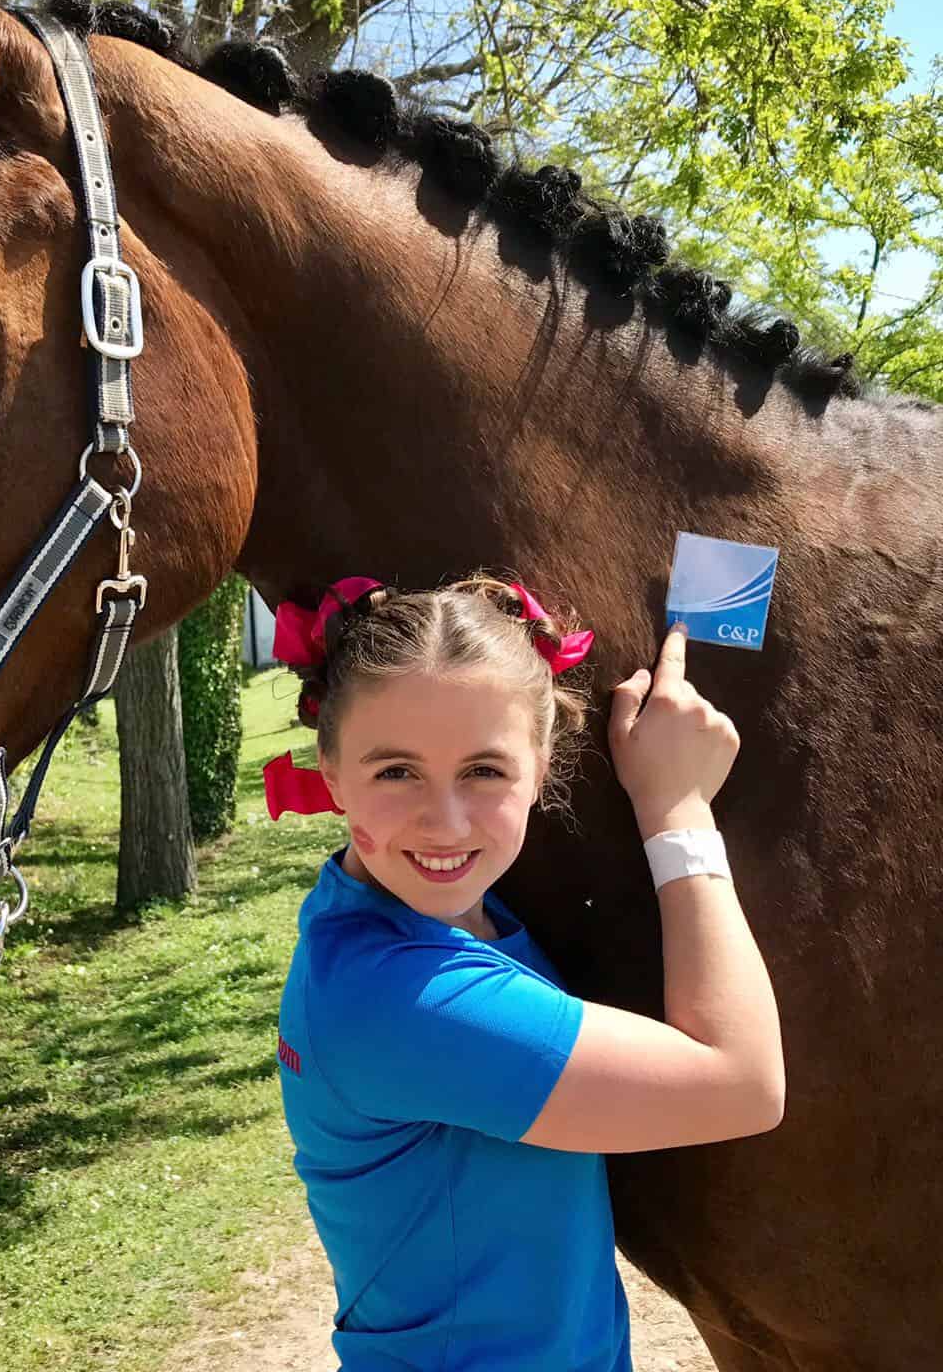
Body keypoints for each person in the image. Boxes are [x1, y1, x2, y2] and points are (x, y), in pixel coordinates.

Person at [266, 574, 784, 1372]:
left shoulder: (426, 919)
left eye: (484, 770)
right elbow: (743, 1085)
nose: (446, 823)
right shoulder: (401, 1000)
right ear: (330, 772)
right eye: (396, 771)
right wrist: (679, 809)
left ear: (541, 767)